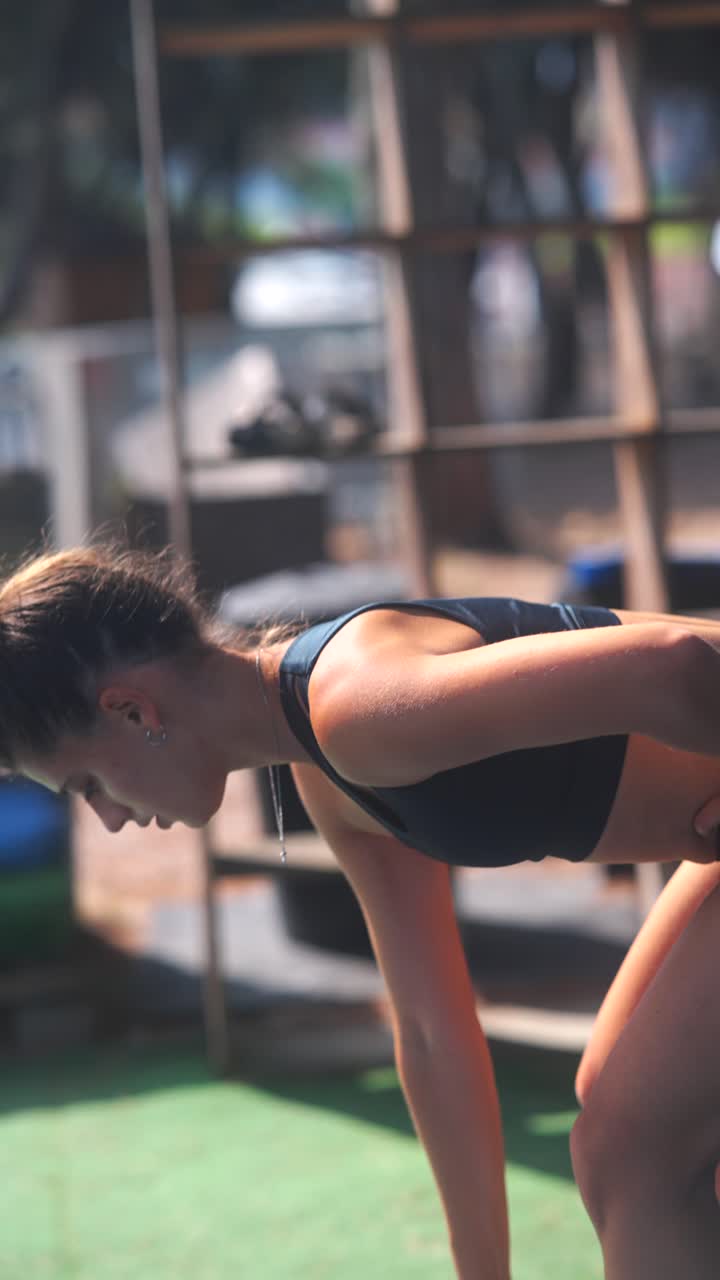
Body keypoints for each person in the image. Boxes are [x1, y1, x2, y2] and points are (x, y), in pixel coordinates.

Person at [4, 540, 720, 1280]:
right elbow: (431, 1029)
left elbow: (675, 665)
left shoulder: (357, 706)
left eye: (85, 784)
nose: (109, 819)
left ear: (130, 710)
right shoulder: (327, 770)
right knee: (612, 1104)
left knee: (634, 1151)